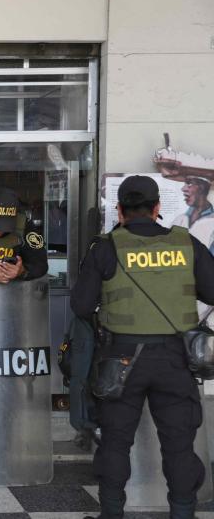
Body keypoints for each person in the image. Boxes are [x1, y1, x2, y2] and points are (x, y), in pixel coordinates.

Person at [71, 175, 214, 519]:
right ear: (158, 208)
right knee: (179, 445)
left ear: (119, 210)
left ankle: (112, 513)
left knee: (116, 443)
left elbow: (80, 306)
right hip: (175, 360)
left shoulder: (105, 247)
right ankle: (182, 513)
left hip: (121, 361)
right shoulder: (185, 243)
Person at [172, 176, 214, 255]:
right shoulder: (179, 220)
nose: (183, 189)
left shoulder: (212, 222)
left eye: (189, 183)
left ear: (201, 188)